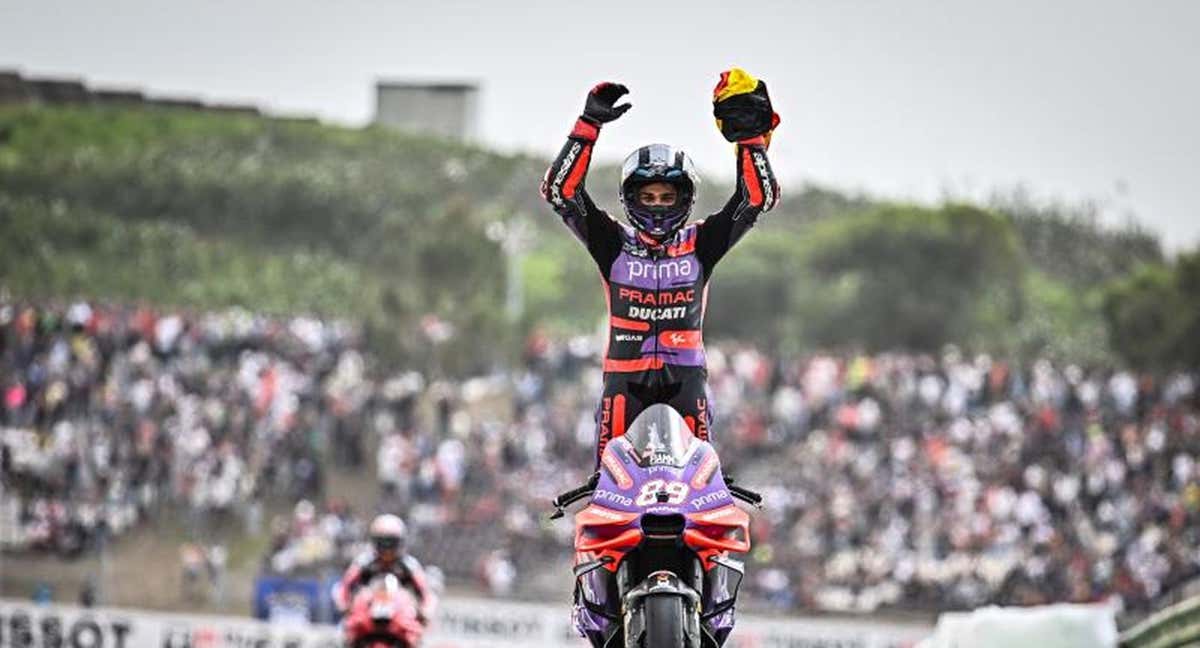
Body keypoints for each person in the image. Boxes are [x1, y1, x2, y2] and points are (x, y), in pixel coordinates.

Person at [540, 69, 781, 465]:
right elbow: (559, 192)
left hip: (686, 383)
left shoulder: (702, 242)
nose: (656, 204)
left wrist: (750, 140)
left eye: (667, 196)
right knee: (609, 487)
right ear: (629, 198)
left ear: (684, 198)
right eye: (647, 195)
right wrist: (588, 125)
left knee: (701, 487)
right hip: (622, 384)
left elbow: (757, 198)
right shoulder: (611, 242)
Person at [334, 514, 436, 625]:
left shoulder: (409, 565)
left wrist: (425, 611)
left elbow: (425, 592)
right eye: (383, 542)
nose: (387, 549)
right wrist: (344, 606)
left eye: (391, 542)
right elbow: (344, 586)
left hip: (401, 620)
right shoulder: (363, 562)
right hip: (366, 618)